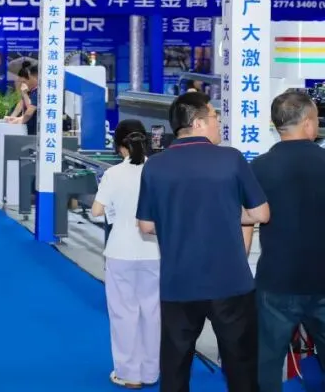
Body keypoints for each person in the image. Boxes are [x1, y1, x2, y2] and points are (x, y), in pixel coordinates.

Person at [136, 91, 270, 392]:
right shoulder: (231, 159)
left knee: (174, 369)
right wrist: (226, 212)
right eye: (214, 116)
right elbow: (261, 213)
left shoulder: (155, 165)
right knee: (242, 369)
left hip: (178, 283)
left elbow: (146, 225)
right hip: (230, 283)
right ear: (197, 122)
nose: (218, 122)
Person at [250, 90, 325, 392]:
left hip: (276, 280)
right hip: (322, 277)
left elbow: (245, 216)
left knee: (267, 362)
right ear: (307, 122)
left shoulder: (259, 167)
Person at [90, 120, 160, 389]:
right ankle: (151, 371)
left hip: (120, 250)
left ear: (120, 146)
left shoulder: (114, 174)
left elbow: (97, 211)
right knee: (152, 312)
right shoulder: (157, 171)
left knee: (123, 313)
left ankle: (129, 373)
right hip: (154, 250)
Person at [5, 62, 38, 135]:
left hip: (33, 129)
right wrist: (12, 118)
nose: (21, 84)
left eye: (24, 81)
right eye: (19, 81)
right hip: (27, 127)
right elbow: (20, 105)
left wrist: (24, 94)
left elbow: (30, 110)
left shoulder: (36, 91)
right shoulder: (30, 91)